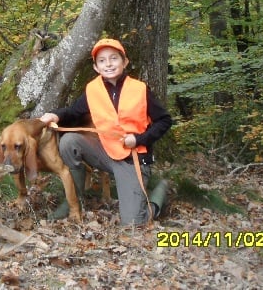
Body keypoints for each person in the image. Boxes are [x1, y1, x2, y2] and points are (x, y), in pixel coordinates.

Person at [39, 38, 172, 225]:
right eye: (102, 60)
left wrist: (140, 139)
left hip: (132, 159)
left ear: (124, 62)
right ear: (96, 67)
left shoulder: (140, 89)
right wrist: (55, 115)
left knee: (134, 223)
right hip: (105, 152)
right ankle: (74, 200)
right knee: (69, 142)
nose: (108, 64)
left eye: (113, 58)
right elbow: (73, 112)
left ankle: (159, 192)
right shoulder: (93, 89)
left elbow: (165, 120)